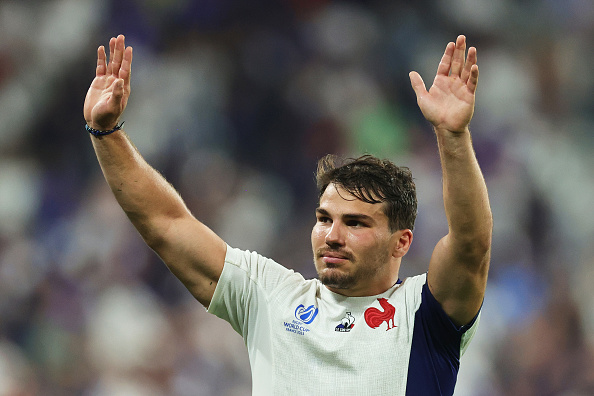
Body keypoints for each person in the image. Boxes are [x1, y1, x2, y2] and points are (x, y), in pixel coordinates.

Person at [83, 34, 492, 395]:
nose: (332, 234)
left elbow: (471, 243)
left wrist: (452, 135)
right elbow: (167, 225)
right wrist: (107, 134)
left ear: (401, 241)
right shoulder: (270, 296)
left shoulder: (425, 314)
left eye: (355, 223)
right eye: (324, 218)